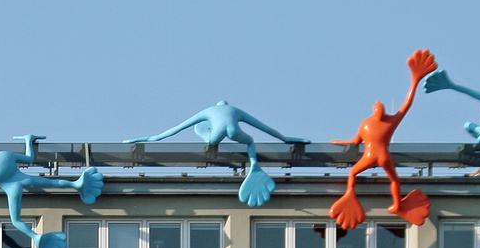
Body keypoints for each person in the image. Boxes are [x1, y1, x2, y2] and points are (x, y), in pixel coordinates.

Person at [329, 50, 437, 229]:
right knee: (393, 179)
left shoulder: (368, 123)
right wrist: (414, 81)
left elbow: (354, 142)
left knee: (353, 174)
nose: (379, 113)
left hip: (371, 156)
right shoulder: (384, 122)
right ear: (376, 110)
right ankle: (396, 204)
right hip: (383, 156)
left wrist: (415, 80)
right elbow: (406, 105)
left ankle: (354, 194)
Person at [128, 102, 308, 206]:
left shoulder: (208, 111)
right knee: (250, 141)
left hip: (217, 133)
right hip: (234, 131)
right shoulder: (235, 110)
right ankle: (254, 163)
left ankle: (206, 136)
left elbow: (174, 130)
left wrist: (147, 138)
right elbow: (264, 127)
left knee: (212, 141)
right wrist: (285, 139)